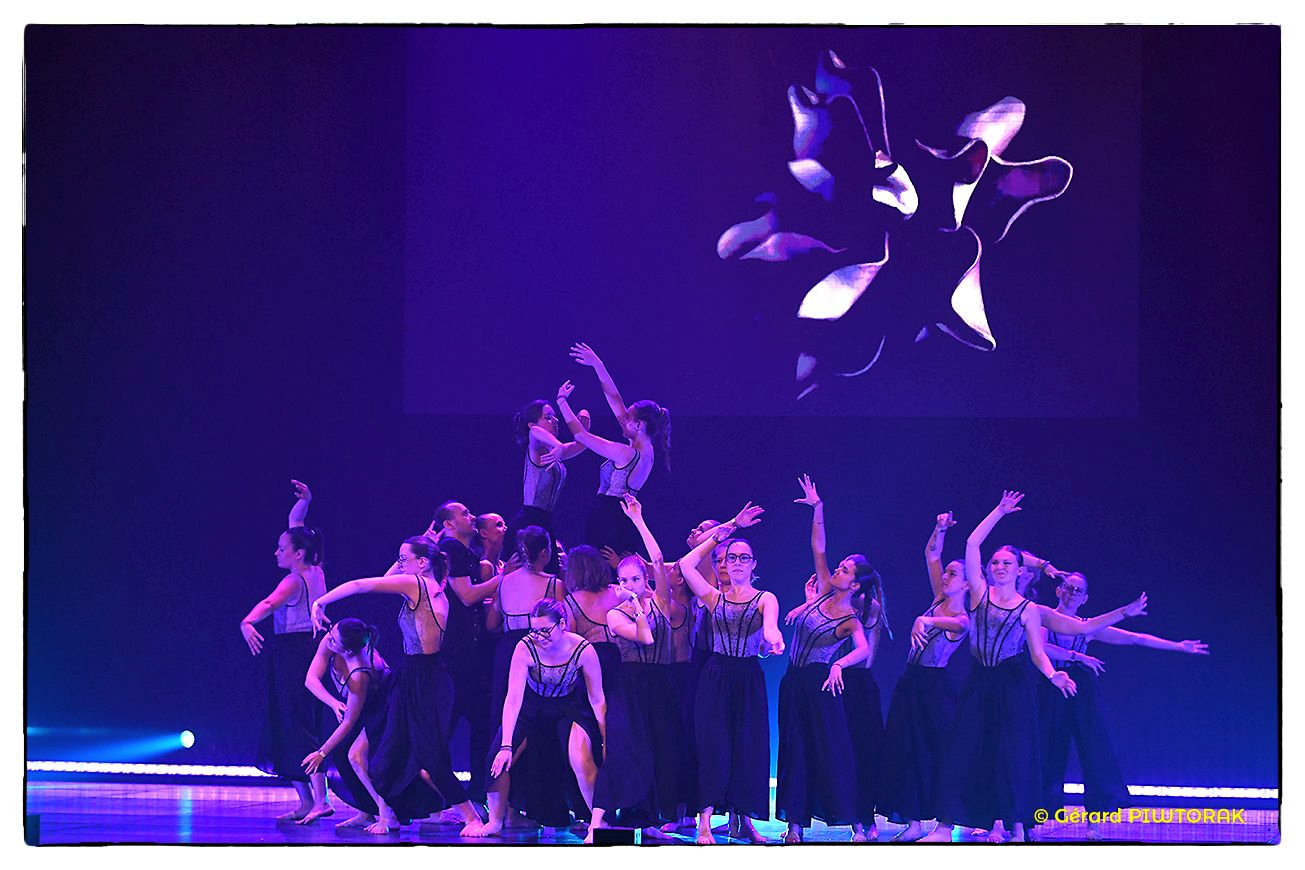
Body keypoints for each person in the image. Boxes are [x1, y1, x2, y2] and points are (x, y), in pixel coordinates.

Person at [922, 491, 1148, 843]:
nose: (999, 567)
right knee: (962, 749)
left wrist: (1056, 672)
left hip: (1013, 685)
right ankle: (944, 827)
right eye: (995, 562)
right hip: (979, 682)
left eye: (1007, 563)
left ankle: (1015, 826)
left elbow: (1068, 637)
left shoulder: (1029, 609)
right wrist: (999, 511)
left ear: (1018, 570)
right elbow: (971, 542)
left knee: (1013, 755)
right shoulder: (979, 592)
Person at [310, 537, 483, 836]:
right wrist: (405, 558)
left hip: (427, 679)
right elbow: (384, 579)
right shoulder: (426, 583)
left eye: (404, 559)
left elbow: (363, 585)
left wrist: (321, 601)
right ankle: (387, 814)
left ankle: (472, 818)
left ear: (423, 562)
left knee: (429, 755)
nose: (400, 565)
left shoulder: (419, 585)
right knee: (374, 750)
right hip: (412, 676)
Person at [1036, 571, 1210, 840]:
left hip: (1081, 689)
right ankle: (1035, 818)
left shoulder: (1088, 626)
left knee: (1095, 751)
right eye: (1068, 587)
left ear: (1085, 599)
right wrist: (1077, 656)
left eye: (1078, 591)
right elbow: (1040, 648)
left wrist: (1178, 646)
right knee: (1047, 751)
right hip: (1051, 685)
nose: (1072, 593)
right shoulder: (1042, 619)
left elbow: (1135, 638)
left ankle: (1094, 821)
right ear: (1058, 590)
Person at [587, 495, 695, 841]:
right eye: (624, 580)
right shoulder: (615, 613)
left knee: (660, 752)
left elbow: (659, 559)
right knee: (623, 750)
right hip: (630, 686)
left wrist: (638, 520)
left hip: (660, 683)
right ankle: (598, 821)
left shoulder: (661, 601)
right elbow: (645, 639)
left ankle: (650, 820)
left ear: (645, 579)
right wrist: (635, 606)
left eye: (636, 579)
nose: (630, 585)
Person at [677, 502, 780, 845]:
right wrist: (730, 526)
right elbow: (686, 564)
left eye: (743, 558)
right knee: (713, 747)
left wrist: (773, 638)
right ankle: (705, 822)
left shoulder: (765, 597)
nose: (736, 562)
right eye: (731, 557)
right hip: (717, 676)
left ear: (753, 564)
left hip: (748, 678)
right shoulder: (713, 597)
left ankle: (744, 821)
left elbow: (770, 626)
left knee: (748, 748)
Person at [776, 476, 872, 843]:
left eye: (846, 570)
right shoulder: (820, 594)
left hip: (820, 687)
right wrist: (818, 508)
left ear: (855, 585)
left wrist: (838, 664)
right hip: (793, 682)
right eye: (841, 566)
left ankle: (855, 824)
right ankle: (794, 826)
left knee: (831, 752)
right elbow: (819, 547)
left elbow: (862, 649)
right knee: (794, 751)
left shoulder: (850, 619)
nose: (838, 570)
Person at [466, 598, 607, 837]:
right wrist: (506, 746)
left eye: (545, 630)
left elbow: (597, 699)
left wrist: (605, 738)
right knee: (497, 759)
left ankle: (597, 824)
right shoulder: (525, 647)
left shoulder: (583, 649)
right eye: (535, 630)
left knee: (581, 758)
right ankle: (496, 821)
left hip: (568, 707)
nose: (539, 636)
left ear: (562, 624)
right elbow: (513, 699)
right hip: (532, 706)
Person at [876, 511, 970, 842]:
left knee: (940, 752)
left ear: (967, 584)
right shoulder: (938, 599)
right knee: (907, 751)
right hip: (911, 683)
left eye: (953, 573)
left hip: (935, 688)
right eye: (947, 572)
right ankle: (914, 822)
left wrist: (925, 621)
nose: (946, 576)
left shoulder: (961, 616)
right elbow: (931, 555)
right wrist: (939, 528)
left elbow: (957, 626)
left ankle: (945, 825)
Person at [240, 482, 330, 822]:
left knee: (299, 723)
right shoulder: (315, 569)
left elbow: (269, 603)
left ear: (298, 553)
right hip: (302, 650)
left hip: (295, 654)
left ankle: (320, 799)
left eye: (282, 549)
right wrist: (305, 502)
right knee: (290, 722)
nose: (276, 553)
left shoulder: (294, 580)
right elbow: (297, 528)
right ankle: (307, 801)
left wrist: (247, 622)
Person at [553, 342, 670, 556]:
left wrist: (561, 402)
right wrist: (598, 364)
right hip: (620, 518)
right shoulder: (646, 448)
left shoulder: (626, 453)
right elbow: (614, 399)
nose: (622, 418)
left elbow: (581, 436)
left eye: (627, 417)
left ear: (639, 425)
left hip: (609, 521)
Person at [432, 500, 503, 805]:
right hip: (457, 655)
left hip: (473, 656)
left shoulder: (468, 553)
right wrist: (507, 578)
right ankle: (440, 797)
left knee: (481, 726)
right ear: (449, 524)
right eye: (464, 514)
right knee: (446, 726)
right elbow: (465, 595)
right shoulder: (451, 549)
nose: (471, 516)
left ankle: (474, 795)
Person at [299, 619, 391, 833]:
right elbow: (310, 679)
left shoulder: (359, 672)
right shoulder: (335, 637)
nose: (328, 639)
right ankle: (366, 813)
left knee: (356, 757)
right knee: (341, 754)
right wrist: (333, 702)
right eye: (331, 634)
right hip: (360, 704)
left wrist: (321, 753)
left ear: (348, 650)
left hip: (384, 707)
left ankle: (387, 814)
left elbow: (349, 721)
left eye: (334, 640)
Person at [486, 526, 563, 725]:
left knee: (507, 714)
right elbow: (564, 627)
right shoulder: (553, 585)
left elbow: (491, 624)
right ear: (544, 552)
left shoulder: (504, 582)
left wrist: (510, 629)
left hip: (507, 651)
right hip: (538, 651)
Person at [508, 399, 590, 573]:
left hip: (545, 521)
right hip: (528, 522)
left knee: (549, 572)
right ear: (532, 423)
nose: (555, 420)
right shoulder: (535, 447)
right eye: (548, 417)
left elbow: (581, 445)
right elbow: (534, 432)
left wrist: (583, 427)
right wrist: (558, 445)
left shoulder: (553, 452)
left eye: (554, 416)